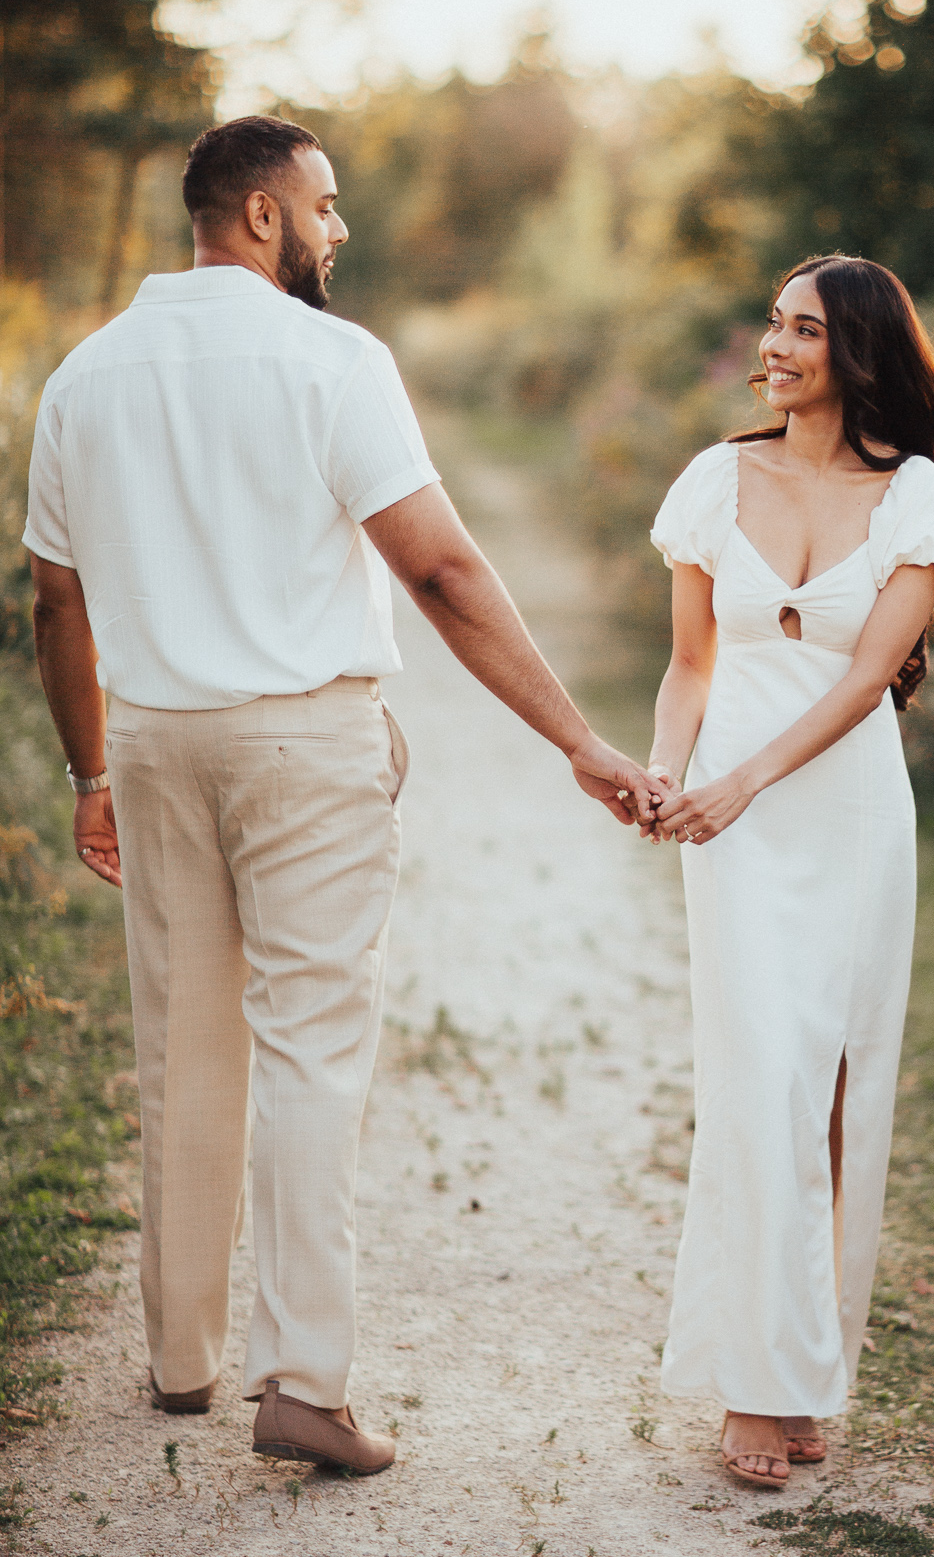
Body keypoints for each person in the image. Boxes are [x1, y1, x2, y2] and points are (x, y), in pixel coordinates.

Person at [23, 115, 657, 1476]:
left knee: (185, 1042)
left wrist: (89, 772)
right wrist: (576, 742)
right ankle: (302, 1381)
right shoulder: (332, 361)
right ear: (259, 216)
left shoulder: (86, 374)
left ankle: (181, 1359)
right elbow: (441, 571)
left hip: (151, 741)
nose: (338, 227)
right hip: (305, 746)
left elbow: (56, 599)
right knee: (308, 1047)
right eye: (324, 205)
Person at [643, 254, 934, 1489]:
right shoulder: (715, 479)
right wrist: (676, 770)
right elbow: (688, 665)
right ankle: (754, 1384)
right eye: (773, 324)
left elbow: (863, 679)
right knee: (758, 1074)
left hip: (842, 808)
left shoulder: (916, 496)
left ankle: (808, 1364)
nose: (772, 347)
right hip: (732, 814)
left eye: (802, 330)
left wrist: (745, 777)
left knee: (838, 1089)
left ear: (859, 351)